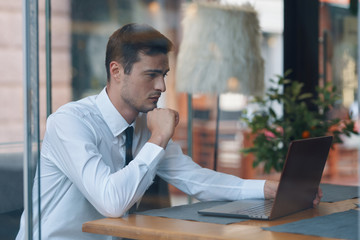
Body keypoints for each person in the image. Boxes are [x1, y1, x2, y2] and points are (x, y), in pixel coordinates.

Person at [16, 23, 321, 240]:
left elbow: (195, 179)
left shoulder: (144, 123)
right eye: (151, 75)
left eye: (164, 74)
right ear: (116, 71)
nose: (161, 87)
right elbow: (111, 202)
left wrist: (264, 188)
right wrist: (159, 138)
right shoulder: (69, 122)